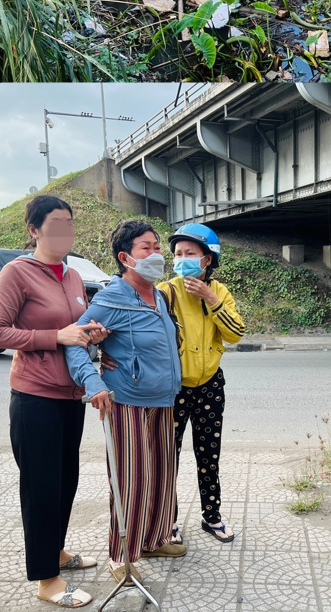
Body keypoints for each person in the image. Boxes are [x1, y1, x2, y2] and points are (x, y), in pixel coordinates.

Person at [0, 195, 108, 609]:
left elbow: (72, 328)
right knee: (40, 489)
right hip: (34, 398)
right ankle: (46, 579)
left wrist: (89, 333)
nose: (65, 232)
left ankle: (56, 553)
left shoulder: (72, 276)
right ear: (34, 230)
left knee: (64, 483)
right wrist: (55, 337)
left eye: (69, 224)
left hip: (69, 396)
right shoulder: (17, 273)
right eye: (55, 224)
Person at [65, 219, 185, 586]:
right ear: (125, 257)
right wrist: (93, 381)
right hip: (127, 402)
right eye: (146, 248)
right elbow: (77, 341)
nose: (156, 254)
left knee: (162, 476)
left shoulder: (159, 296)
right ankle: (122, 553)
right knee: (131, 480)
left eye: (158, 247)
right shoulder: (112, 298)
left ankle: (152, 540)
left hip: (163, 401)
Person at [158, 223, 245, 545]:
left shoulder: (219, 292)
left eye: (189, 254)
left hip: (210, 385)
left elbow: (236, 333)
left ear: (207, 259)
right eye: (178, 254)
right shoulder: (166, 292)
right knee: (169, 458)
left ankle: (212, 517)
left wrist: (210, 298)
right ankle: (168, 521)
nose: (182, 259)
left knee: (209, 456)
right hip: (174, 389)